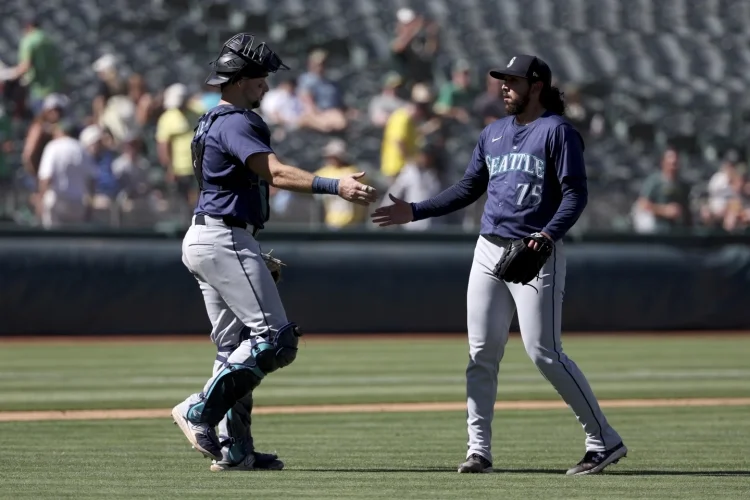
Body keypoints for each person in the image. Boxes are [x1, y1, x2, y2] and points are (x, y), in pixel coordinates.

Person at [372, 55, 626, 475]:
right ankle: (479, 451)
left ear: (537, 85)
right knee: (481, 353)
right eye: (502, 80)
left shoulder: (558, 132)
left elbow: (575, 195)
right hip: (489, 249)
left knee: (544, 352)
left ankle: (604, 440)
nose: (503, 87)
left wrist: (547, 236)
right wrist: (415, 211)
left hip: (535, 250)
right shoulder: (492, 132)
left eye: (512, 81)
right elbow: (469, 187)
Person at [171, 33, 377, 472]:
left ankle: (235, 449)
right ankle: (198, 409)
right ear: (241, 78)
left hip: (209, 234)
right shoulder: (237, 121)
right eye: (261, 76)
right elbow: (277, 173)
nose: (266, 85)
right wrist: (335, 184)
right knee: (275, 341)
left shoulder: (211, 120)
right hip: (224, 237)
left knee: (237, 349)